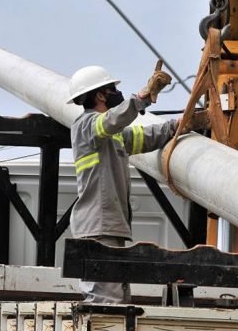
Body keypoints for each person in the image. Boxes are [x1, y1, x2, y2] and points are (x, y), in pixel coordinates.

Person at [66, 63, 177, 303]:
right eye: (112, 89)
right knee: (106, 304)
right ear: (100, 95)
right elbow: (111, 121)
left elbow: (144, 138)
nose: (117, 93)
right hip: (98, 228)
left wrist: (177, 126)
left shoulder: (110, 136)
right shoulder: (86, 126)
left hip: (109, 227)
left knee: (119, 302)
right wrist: (141, 99)